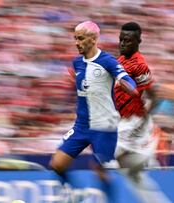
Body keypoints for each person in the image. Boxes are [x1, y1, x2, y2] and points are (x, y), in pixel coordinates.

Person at [49, 21, 139, 186]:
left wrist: (129, 87)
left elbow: (127, 81)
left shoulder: (108, 61)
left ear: (93, 39)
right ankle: (75, 194)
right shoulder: (77, 63)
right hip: (81, 125)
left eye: (81, 38)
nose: (77, 43)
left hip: (104, 126)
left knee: (100, 173)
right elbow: (81, 85)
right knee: (57, 164)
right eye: (75, 38)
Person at [113, 22, 159, 183]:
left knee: (109, 159)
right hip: (121, 120)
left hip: (134, 122)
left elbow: (154, 96)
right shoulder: (120, 60)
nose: (123, 43)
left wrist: (142, 121)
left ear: (139, 41)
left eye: (128, 40)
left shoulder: (139, 65)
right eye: (121, 40)